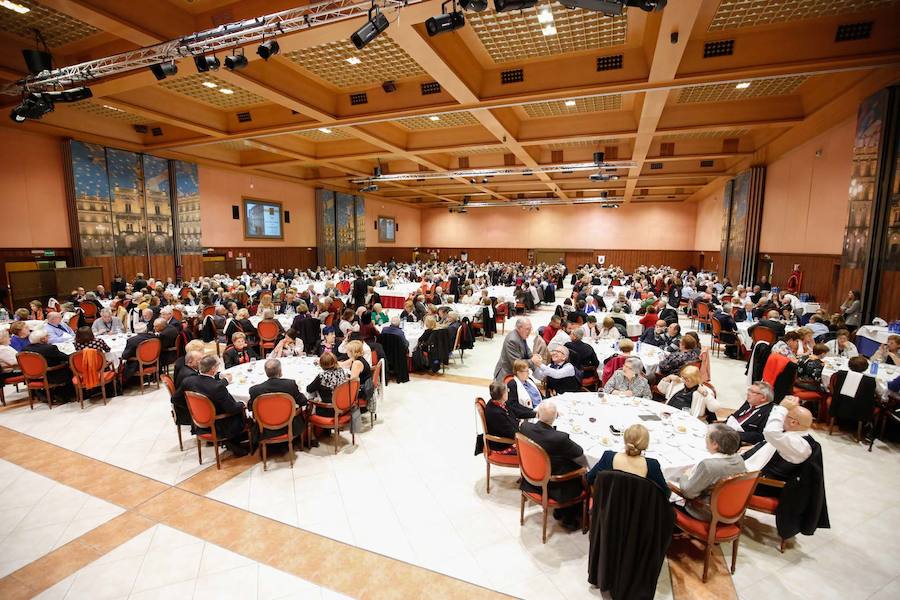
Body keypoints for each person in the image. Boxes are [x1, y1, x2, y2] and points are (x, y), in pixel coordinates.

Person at [519, 400, 589, 530]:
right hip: (552, 486)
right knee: (581, 470)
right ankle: (569, 517)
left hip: (530, 477)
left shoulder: (525, 427)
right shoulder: (560, 438)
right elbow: (579, 452)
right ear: (556, 417)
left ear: (538, 414)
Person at [742, 397, 814, 496]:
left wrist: (782, 409)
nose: (782, 419)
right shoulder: (793, 435)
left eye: (785, 416)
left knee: (715, 472)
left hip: (761, 484)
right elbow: (770, 442)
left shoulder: (799, 445)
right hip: (751, 472)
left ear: (793, 422)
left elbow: (770, 432)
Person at [673, 424, 746, 521]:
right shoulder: (739, 459)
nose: (705, 439)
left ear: (715, 444)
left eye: (707, 436)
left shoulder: (708, 465)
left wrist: (685, 475)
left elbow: (688, 493)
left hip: (707, 511)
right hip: (732, 508)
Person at [184, 355, 248, 457]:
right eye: (218, 366)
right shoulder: (217, 387)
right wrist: (243, 404)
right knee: (244, 411)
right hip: (218, 424)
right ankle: (234, 442)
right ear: (213, 369)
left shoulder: (190, 381)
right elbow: (232, 409)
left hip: (199, 420)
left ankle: (234, 441)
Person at [586, 424, 667, 492]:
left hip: (607, 508)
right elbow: (665, 493)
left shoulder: (608, 457)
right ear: (646, 444)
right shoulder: (652, 465)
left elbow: (589, 478)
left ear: (625, 439)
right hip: (640, 510)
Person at [248, 358, 310, 445]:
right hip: (290, 426)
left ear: (266, 372)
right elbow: (303, 401)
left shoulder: (255, 390)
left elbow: (250, 408)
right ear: (280, 371)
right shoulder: (290, 385)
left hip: (265, 429)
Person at [481, 381, 534, 455]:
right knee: (535, 449)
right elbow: (512, 434)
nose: (508, 392)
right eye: (507, 391)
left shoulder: (499, 402)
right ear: (503, 395)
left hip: (512, 433)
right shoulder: (496, 413)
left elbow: (515, 412)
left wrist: (534, 413)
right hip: (503, 445)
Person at [306, 351, 350, 419]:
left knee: (310, 402)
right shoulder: (341, 371)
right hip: (343, 407)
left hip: (328, 410)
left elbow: (309, 389)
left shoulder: (322, 376)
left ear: (321, 364)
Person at [493, 317, 537, 382]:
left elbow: (527, 350)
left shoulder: (522, 335)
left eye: (530, 329)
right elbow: (517, 363)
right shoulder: (512, 340)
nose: (530, 331)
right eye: (527, 329)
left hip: (516, 372)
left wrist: (534, 358)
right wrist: (532, 361)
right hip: (506, 375)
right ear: (519, 328)